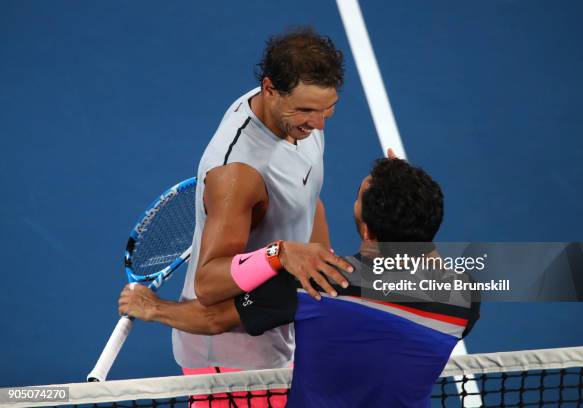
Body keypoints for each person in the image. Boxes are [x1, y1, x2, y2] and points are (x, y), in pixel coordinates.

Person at [120, 157, 480, 407]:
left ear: (366, 229)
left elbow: (213, 318)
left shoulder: (314, 283)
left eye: (359, 198)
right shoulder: (464, 297)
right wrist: (410, 205)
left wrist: (153, 307)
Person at [170, 27, 352, 407]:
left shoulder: (298, 122)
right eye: (306, 110)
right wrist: (279, 254)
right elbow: (208, 282)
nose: (318, 123)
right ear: (270, 89)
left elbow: (307, 198)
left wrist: (322, 280)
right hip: (233, 361)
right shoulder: (238, 173)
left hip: (277, 329)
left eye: (327, 108)